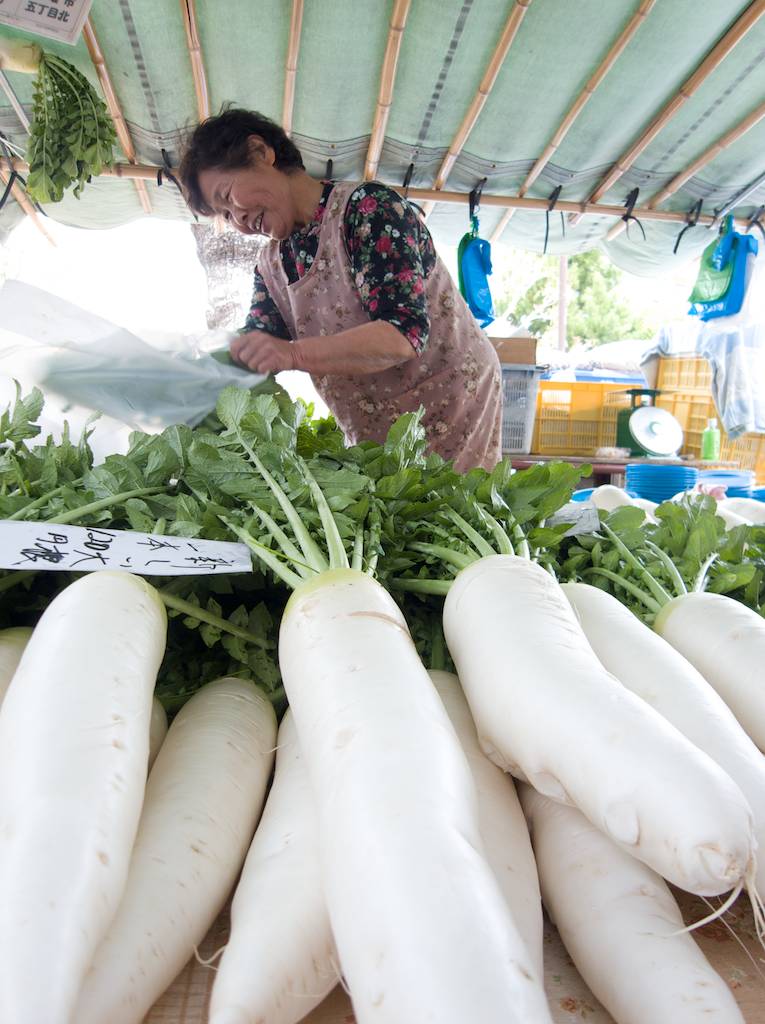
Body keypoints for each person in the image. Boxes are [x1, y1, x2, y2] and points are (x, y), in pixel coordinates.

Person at [179, 109, 503, 472]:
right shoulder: (272, 264)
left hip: (450, 401)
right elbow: (256, 347)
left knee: (451, 516)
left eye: (227, 196)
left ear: (260, 152)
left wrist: (293, 354)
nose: (237, 221)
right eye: (224, 215)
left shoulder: (369, 210)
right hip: (377, 422)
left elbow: (402, 335)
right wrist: (188, 375)